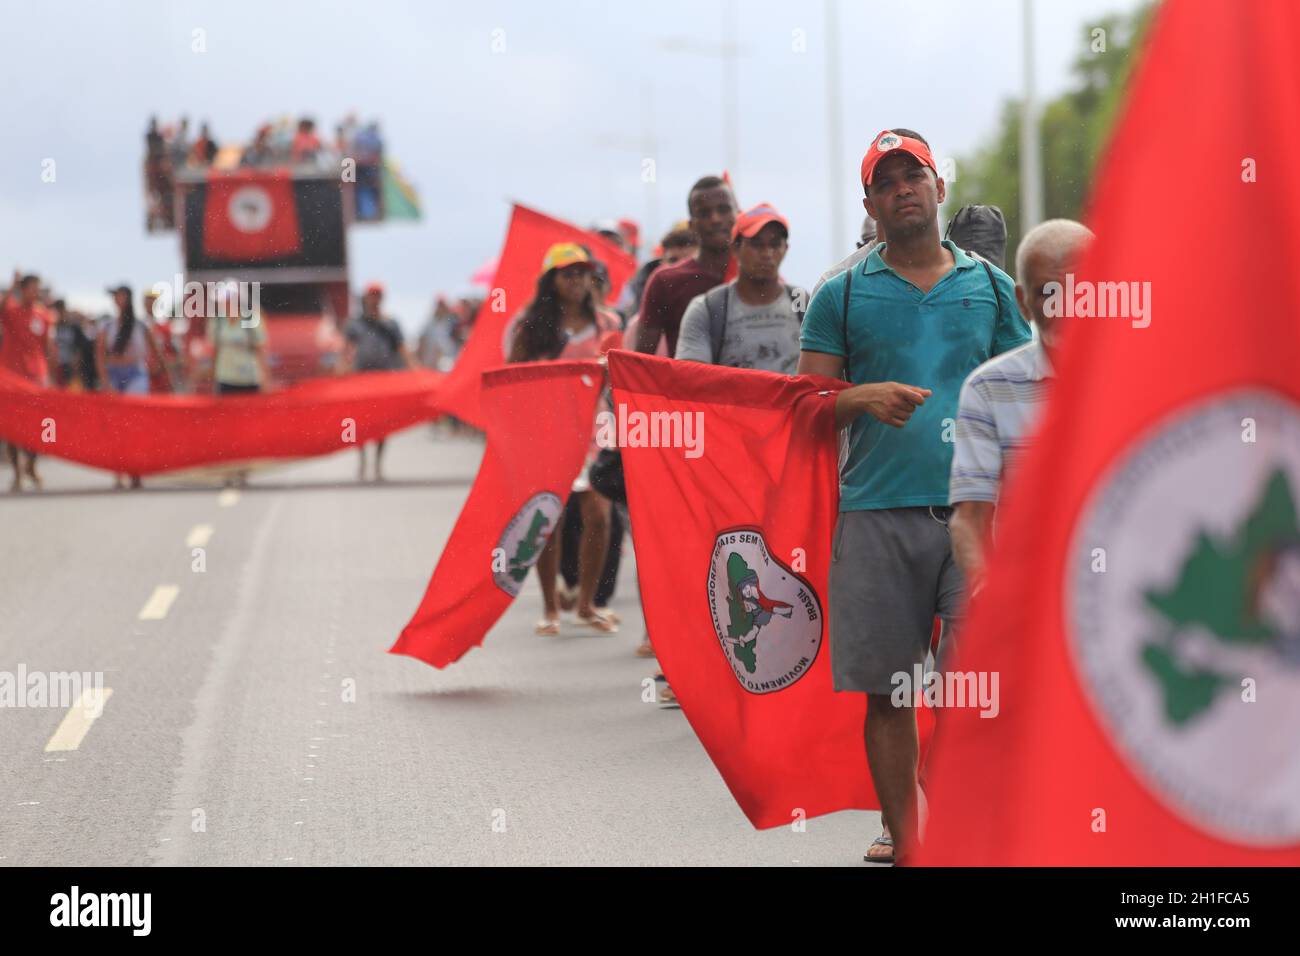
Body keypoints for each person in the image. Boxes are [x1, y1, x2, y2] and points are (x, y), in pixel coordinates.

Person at [797, 129, 1032, 864]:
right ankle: (909, 844)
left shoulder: (990, 287)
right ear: (869, 203)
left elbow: (1028, 393)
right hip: (875, 514)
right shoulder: (840, 294)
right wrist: (858, 397)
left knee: (974, 691)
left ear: (938, 188)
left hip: (975, 517)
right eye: (887, 181)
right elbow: (803, 405)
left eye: (915, 175)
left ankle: (952, 804)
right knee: (890, 694)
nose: (903, 189)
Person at [949, 219, 1094, 589]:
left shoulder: (1145, 381)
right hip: (1030, 597)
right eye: (1048, 291)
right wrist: (988, 591)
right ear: (1022, 302)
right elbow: (970, 518)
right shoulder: (987, 389)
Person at [507, 243, 620, 636]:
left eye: (582, 272)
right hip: (549, 434)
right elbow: (515, 377)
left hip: (597, 431)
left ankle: (586, 604)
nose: (576, 280)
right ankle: (550, 607)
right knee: (547, 521)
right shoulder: (531, 326)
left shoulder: (608, 323)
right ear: (551, 280)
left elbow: (623, 375)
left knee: (599, 517)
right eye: (567, 273)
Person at [676, 202, 804, 373]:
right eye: (757, 244)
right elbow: (692, 380)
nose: (767, 254)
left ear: (785, 249)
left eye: (774, 244)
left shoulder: (802, 302)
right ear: (735, 249)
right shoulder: (708, 309)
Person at [632, 175, 737, 356]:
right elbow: (642, 361)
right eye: (704, 213)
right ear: (691, 225)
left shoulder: (758, 276)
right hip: (687, 384)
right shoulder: (665, 281)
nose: (715, 219)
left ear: (738, 215)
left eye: (723, 209)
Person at [97, 284, 171, 489]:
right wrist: (105, 382)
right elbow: (100, 356)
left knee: (134, 423)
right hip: (115, 375)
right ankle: (119, 470)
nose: (118, 301)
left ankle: (136, 469)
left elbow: (157, 353)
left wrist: (163, 376)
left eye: (121, 297)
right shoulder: (108, 327)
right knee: (116, 426)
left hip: (136, 375)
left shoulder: (140, 326)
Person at [341, 282, 416, 481]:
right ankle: (363, 461)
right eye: (372, 295)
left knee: (383, 424)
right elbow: (347, 350)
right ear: (365, 298)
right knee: (361, 422)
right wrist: (343, 370)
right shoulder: (355, 324)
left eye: (378, 295)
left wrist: (415, 372)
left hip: (385, 379)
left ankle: (378, 465)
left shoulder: (391, 324)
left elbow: (402, 349)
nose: (375, 299)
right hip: (361, 379)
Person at [1, 271, 54, 491]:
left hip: (36, 377)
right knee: (12, 427)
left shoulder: (43, 316)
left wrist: (50, 376)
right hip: (11, 377)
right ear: (22, 290)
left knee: (40, 425)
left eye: (37, 288)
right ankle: (17, 471)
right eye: (31, 288)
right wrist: (11, 287)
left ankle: (31, 464)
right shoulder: (11, 310)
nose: (35, 292)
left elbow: (48, 348)